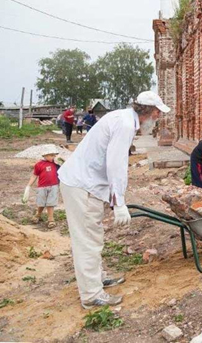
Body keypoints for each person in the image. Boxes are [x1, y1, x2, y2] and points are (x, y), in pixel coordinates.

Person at [58, 91, 170, 309]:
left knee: (94, 234)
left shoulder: (123, 118)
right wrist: (119, 203)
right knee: (87, 239)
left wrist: (115, 199)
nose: (158, 117)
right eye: (157, 112)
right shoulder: (125, 125)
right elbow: (115, 165)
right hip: (82, 185)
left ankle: (96, 277)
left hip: (85, 182)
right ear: (147, 111)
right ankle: (91, 294)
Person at [22, 146, 61, 229]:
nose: (53, 157)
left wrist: (62, 161)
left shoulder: (56, 164)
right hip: (42, 187)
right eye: (52, 155)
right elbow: (34, 175)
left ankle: (51, 219)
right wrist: (29, 185)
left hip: (54, 186)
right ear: (45, 155)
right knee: (41, 203)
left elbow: (64, 169)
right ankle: (38, 215)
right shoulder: (39, 164)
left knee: (51, 203)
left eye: (54, 155)